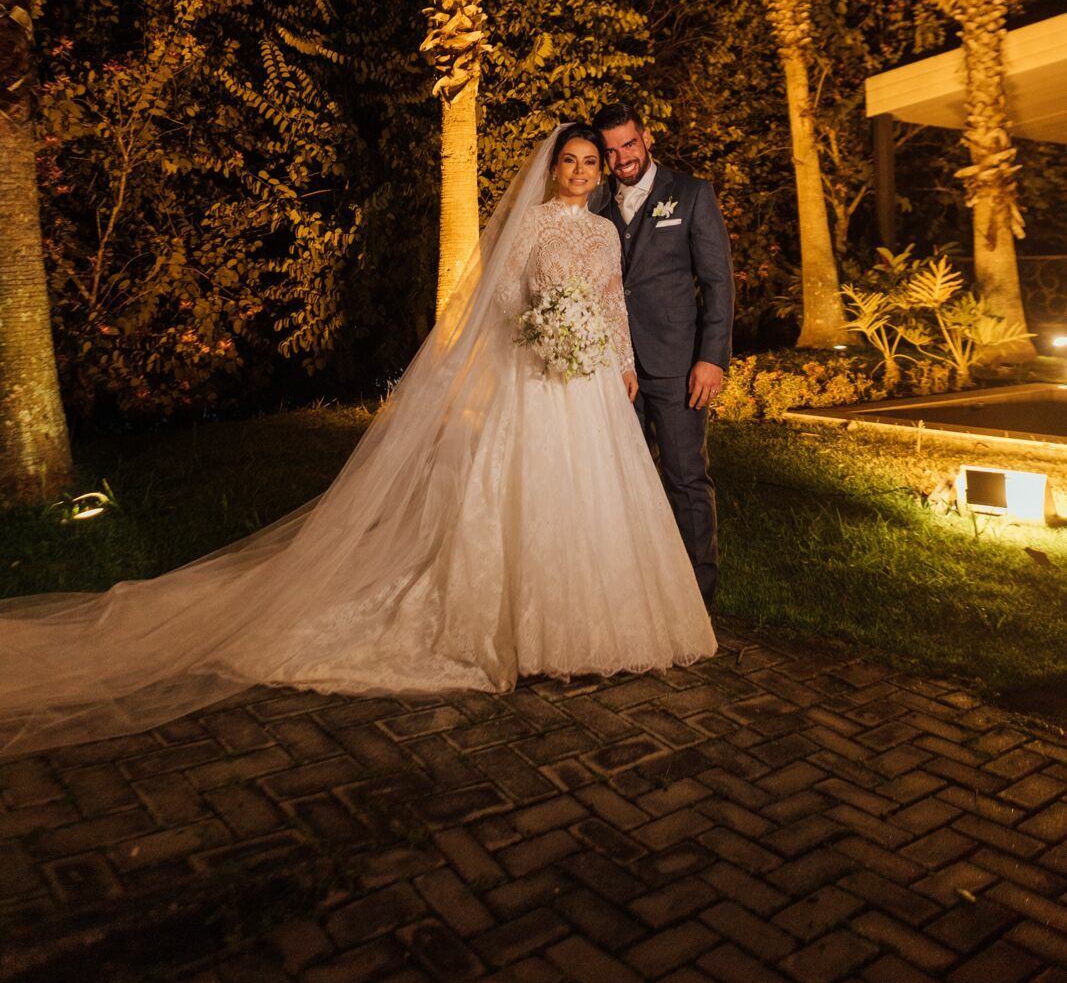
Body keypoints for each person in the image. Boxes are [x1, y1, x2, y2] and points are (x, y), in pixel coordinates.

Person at [0, 123, 714, 759]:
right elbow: (500, 304)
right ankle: (527, 632)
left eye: (592, 161)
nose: (584, 170)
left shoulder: (601, 233)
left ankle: (602, 626)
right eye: (573, 160)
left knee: (596, 501)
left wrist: (618, 361)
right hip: (537, 378)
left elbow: (611, 300)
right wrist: (542, 329)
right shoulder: (529, 226)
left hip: (588, 383)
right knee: (530, 495)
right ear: (553, 168)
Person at [593, 100, 734, 608]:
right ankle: (641, 585)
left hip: (678, 365)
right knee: (626, 477)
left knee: (685, 476)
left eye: (628, 144)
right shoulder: (598, 207)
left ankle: (698, 594)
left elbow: (718, 283)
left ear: (646, 138)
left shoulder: (692, 194)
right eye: (611, 151)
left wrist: (711, 358)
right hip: (615, 371)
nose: (621, 158)